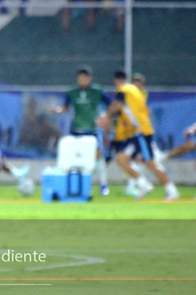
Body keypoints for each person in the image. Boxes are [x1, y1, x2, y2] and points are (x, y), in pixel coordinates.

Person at [106, 70, 178, 200]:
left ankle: (171, 190)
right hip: (134, 133)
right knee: (121, 159)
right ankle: (143, 184)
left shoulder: (124, 89)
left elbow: (117, 106)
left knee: (150, 163)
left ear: (115, 80)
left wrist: (106, 115)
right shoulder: (134, 92)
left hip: (141, 133)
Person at [49, 66, 111, 195]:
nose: (82, 80)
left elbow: (111, 105)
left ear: (90, 78)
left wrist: (105, 115)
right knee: (76, 158)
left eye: (85, 78)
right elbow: (65, 107)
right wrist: (57, 110)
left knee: (98, 157)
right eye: (80, 78)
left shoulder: (97, 91)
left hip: (92, 130)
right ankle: (78, 186)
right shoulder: (72, 91)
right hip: (76, 130)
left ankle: (104, 186)